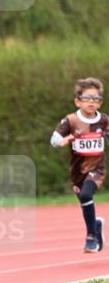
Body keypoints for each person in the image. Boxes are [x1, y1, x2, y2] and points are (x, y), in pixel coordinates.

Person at [50, 77, 106, 253]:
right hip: (77, 171)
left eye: (95, 99)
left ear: (100, 103)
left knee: (86, 195)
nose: (91, 102)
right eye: (87, 98)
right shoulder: (71, 120)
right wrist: (64, 140)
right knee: (84, 200)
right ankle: (96, 226)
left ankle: (91, 237)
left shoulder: (104, 120)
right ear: (78, 101)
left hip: (97, 169)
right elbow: (54, 140)